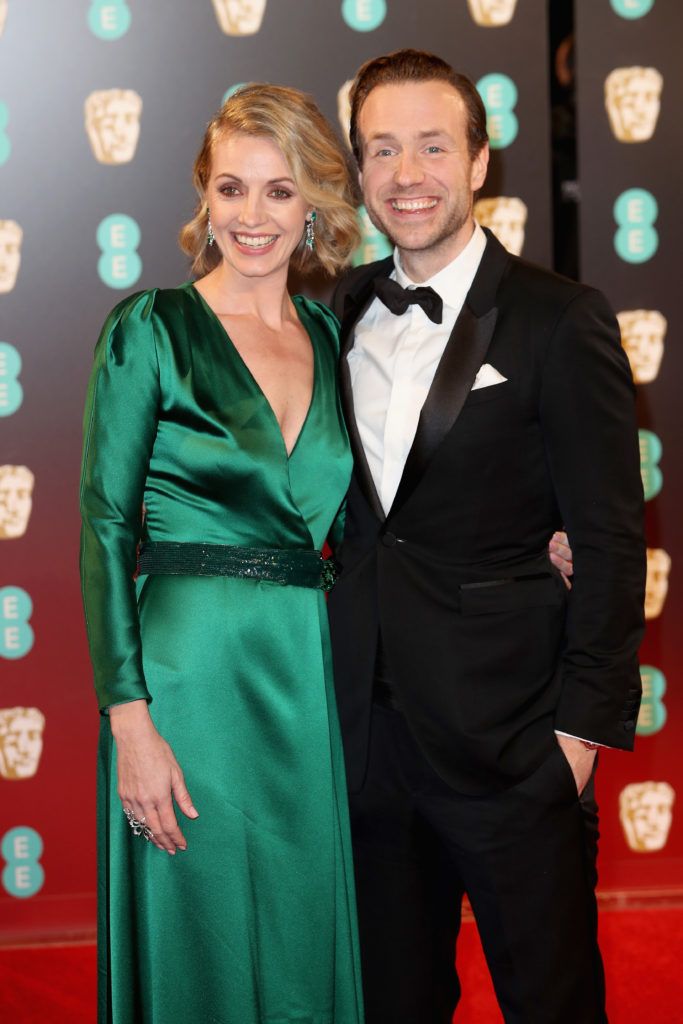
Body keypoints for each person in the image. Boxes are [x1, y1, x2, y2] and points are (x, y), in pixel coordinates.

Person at [327, 49, 645, 1023]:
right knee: (392, 1002)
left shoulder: (560, 319)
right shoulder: (329, 313)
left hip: (514, 745)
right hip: (366, 745)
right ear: (357, 169)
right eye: (381, 149)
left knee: (550, 1003)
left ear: (476, 161)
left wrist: (577, 738)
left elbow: (607, 537)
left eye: (432, 145)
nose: (406, 173)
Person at [79, 84, 364, 1024]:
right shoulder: (150, 330)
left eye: (279, 193)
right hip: (184, 678)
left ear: (313, 204)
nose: (253, 217)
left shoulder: (328, 337)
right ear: (205, 198)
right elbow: (105, 527)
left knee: (297, 930)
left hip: (299, 671)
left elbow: (369, 515)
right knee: (194, 928)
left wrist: (543, 535)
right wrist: (130, 723)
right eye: (232, 189)